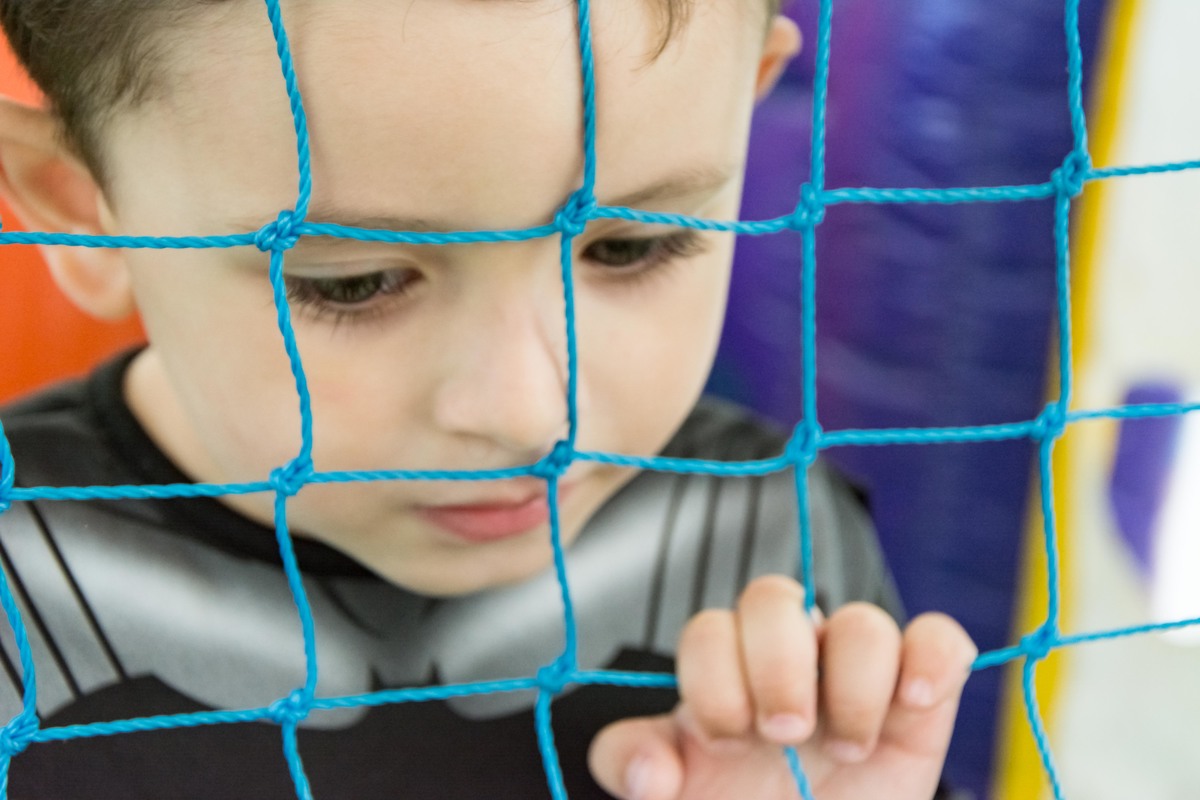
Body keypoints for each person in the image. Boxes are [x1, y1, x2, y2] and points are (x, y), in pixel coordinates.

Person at [0, 0, 976, 798]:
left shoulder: (765, 534)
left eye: (630, 248)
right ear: (82, 207)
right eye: (357, 282)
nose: (533, 417)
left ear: (745, 109)